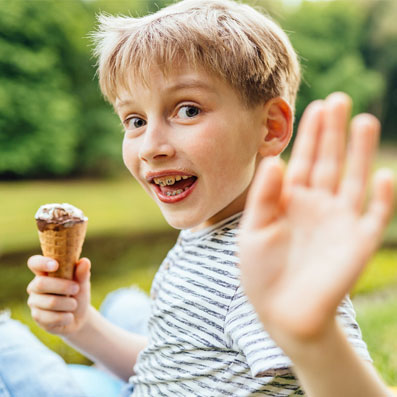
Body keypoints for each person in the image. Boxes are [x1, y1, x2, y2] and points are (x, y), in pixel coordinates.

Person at [0, 0, 394, 396]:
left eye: (187, 110)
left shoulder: (267, 266)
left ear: (270, 127)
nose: (151, 146)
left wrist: (318, 342)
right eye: (134, 120)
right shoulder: (214, 228)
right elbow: (173, 372)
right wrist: (80, 324)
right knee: (123, 304)